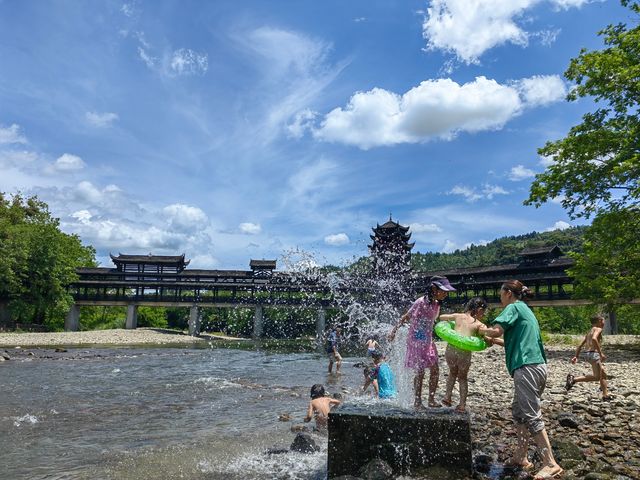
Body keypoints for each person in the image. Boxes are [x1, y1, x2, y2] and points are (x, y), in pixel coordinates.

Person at [478, 280, 563, 480]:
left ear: (508, 293)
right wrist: (493, 341)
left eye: (501, 293)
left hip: (526, 368)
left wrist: (478, 330)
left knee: (532, 415)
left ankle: (550, 463)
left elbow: (496, 330)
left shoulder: (513, 307)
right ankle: (521, 456)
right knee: (518, 411)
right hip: (537, 366)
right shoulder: (525, 309)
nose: (500, 297)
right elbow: (511, 340)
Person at [388, 275, 456, 410]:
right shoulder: (420, 302)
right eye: (443, 290)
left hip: (428, 341)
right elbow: (406, 317)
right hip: (416, 340)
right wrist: (393, 331)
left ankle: (431, 399)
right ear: (433, 289)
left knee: (435, 369)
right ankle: (417, 402)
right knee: (420, 372)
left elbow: (432, 322)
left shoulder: (436, 304)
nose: (446, 294)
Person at [439, 297, 488, 413]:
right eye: (483, 312)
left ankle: (447, 397)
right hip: (464, 353)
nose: (483, 315)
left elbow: (441, 317)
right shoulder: (479, 324)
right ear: (479, 310)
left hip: (451, 351)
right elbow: (486, 335)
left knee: (452, 373)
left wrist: (451, 324)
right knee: (462, 378)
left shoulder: (458, 316)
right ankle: (461, 405)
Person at [565, 314, 611, 399]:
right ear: (599, 321)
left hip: (587, 354)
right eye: (603, 320)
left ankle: (574, 380)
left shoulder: (589, 332)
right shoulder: (598, 329)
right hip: (594, 354)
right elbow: (594, 339)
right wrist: (600, 353)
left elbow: (580, 345)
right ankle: (605, 395)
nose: (604, 323)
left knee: (600, 374)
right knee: (601, 375)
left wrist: (576, 356)